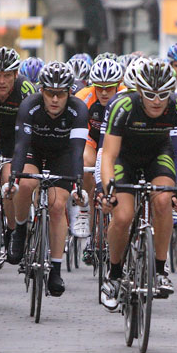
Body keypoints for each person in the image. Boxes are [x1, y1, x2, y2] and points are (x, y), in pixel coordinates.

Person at [100, 59, 177, 310]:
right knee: (123, 216)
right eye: (150, 94)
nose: (157, 101)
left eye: (163, 94)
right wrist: (107, 189)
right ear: (139, 91)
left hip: (159, 155)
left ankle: (158, 269)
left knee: (164, 200)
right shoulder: (123, 105)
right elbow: (109, 155)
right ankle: (113, 274)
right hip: (125, 157)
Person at [4, 61, 89, 297]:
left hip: (62, 154)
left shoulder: (79, 110)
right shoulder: (29, 106)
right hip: (33, 150)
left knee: (57, 205)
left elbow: (76, 151)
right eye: (49, 93)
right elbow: (20, 147)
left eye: (60, 93)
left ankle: (56, 268)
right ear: (41, 90)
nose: (54, 99)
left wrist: (78, 184)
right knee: (27, 183)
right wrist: (13, 179)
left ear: (69, 92)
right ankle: (19, 230)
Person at [0, 47, 36, 244]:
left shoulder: (26, 89)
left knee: (7, 179)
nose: (2, 81)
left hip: (15, 137)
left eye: (7, 75)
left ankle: (12, 231)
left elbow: (30, 128)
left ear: (16, 74)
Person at [74, 58, 124, 242]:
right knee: (87, 162)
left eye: (109, 87)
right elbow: (77, 133)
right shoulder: (83, 97)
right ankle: (85, 210)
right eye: (99, 87)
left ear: (118, 85)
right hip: (91, 137)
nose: (103, 92)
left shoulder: (126, 96)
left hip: (117, 139)